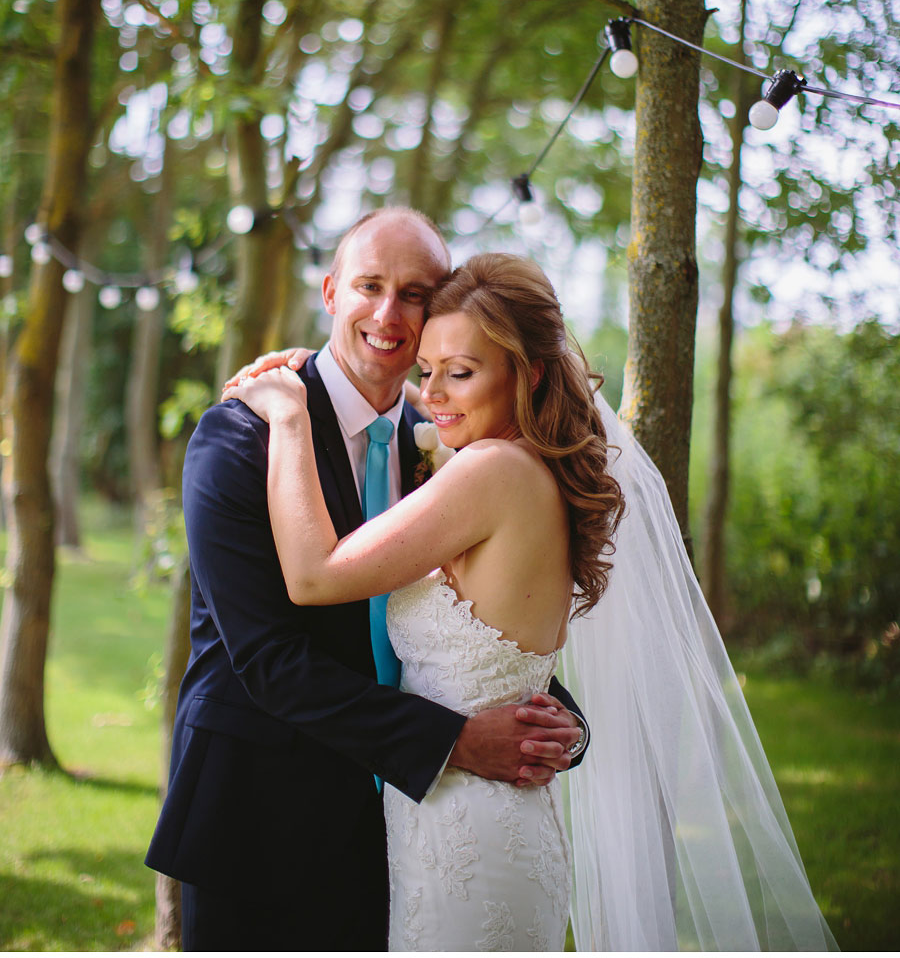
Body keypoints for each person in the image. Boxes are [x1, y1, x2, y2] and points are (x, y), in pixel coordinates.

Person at [233, 250, 837, 954]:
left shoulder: (490, 472)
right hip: (468, 821)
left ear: (529, 373)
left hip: (471, 834)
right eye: (427, 371)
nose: (434, 395)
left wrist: (290, 417)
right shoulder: (528, 470)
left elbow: (313, 576)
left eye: (461, 373)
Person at [145, 208, 587, 953]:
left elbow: (485, 616)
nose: (388, 313)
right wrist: (453, 742)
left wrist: (555, 723)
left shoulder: (448, 437)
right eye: (369, 286)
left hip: (402, 834)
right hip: (258, 821)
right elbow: (268, 662)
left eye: (414, 293)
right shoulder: (242, 435)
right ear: (329, 292)